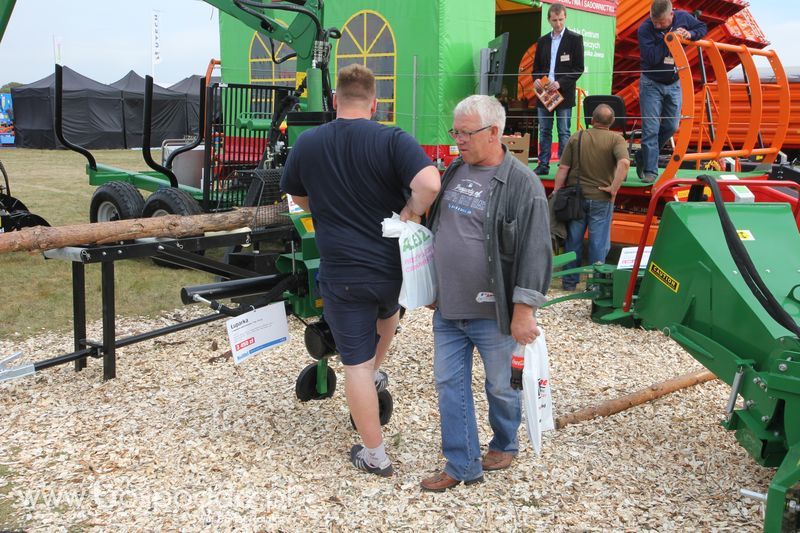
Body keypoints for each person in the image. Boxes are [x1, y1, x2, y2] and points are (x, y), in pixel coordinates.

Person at [280, 64, 441, 478]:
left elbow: (297, 196)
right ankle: (374, 372)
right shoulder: (392, 138)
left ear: (335, 102)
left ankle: (375, 455)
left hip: (343, 272)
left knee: (354, 364)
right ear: (374, 103)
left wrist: (325, 208)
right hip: (392, 268)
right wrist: (411, 210)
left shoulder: (309, 142)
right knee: (388, 315)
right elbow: (430, 182)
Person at [420, 95, 552, 491]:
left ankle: (505, 441)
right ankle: (462, 465)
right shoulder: (456, 169)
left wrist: (524, 310)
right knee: (448, 383)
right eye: (455, 131)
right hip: (448, 308)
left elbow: (535, 249)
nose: (457, 140)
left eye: (466, 133)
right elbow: (440, 228)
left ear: (495, 132)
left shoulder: (522, 185)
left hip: (493, 313)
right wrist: (431, 283)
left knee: (499, 385)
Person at [553, 104, 631, 290]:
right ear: (611, 122)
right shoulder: (616, 139)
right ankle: (596, 286)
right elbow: (625, 163)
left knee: (573, 241)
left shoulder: (577, 137)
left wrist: (556, 192)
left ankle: (569, 282)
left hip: (576, 199)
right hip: (602, 198)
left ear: (592, 120)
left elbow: (563, 168)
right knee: (598, 243)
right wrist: (613, 188)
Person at [638, 0, 707, 183]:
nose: (658, 25)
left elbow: (702, 28)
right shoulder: (644, 29)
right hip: (651, 84)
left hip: (674, 83)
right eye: (655, 22)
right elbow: (651, 58)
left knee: (671, 126)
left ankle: (643, 156)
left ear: (672, 15)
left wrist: (689, 34)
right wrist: (670, 39)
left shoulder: (683, 17)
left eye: (662, 22)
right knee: (651, 129)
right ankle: (650, 170)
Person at [531, 2, 584, 176]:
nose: (558, 24)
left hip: (564, 91)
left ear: (565, 17)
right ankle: (543, 164)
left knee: (564, 130)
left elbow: (578, 68)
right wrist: (536, 79)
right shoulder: (543, 40)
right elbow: (536, 68)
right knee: (544, 129)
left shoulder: (575, 39)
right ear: (549, 20)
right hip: (544, 91)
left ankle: (564, 165)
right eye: (554, 20)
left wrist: (560, 83)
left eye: (561, 19)